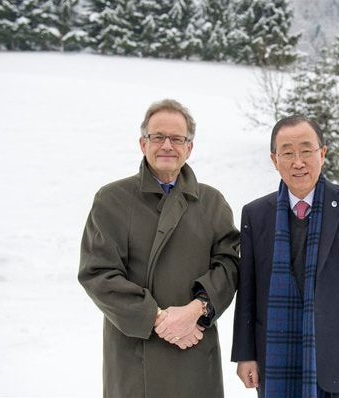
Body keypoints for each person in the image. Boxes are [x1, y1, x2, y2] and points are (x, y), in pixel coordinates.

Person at [79, 99, 239, 398]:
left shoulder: (212, 202)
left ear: (189, 148)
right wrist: (159, 319)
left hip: (194, 343)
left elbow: (229, 265)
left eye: (177, 138)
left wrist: (196, 310)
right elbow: (98, 273)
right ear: (143, 144)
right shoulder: (111, 199)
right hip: (135, 349)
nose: (167, 145)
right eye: (158, 137)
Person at [231, 115, 339, 398]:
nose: (298, 162)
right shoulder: (256, 214)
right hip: (276, 350)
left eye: (306, 151)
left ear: (323, 153)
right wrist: (245, 354)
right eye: (288, 153)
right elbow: (248, 292)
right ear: (274, 159)